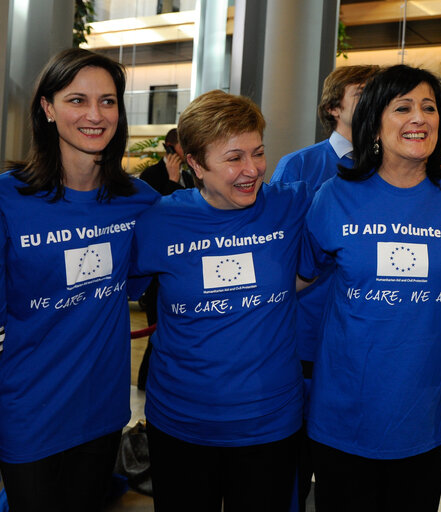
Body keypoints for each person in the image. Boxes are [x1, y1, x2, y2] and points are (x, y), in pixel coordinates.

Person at [298, 64, 441, 511]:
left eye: (429, 107)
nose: (419, 117)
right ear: (375, 124)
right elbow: (297, 279)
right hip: (345, 413)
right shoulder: (335, 195)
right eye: (402, 107)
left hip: (423, 415)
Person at [132, 90, 309, 511]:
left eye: (259, 152)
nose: (252, 170)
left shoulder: (290, 204)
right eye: (234, 158)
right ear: (195, 163)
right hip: (180, 424)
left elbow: (361, 198)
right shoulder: (160, 219)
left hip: (270, 424)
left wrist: (436, 182)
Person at [0, 48, 158, 511]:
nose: (95, 115)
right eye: (77, 100)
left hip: (102, 408)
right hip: (28, 406)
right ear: (47, 108)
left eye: (108, 101)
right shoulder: (10, 199)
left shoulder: (139, 202)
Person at [271, 63, 379, 510]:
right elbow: (277, 254)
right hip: (303, 345)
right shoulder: (298, 167)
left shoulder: (389, 171)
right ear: (334, 107)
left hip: (362, 348)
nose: (375, 103)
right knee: (291, 469)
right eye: (363, 94)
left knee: (350, 474)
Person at [137, 127, 196, 390]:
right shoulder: (152, 175)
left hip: (184, 263)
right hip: (158, 270)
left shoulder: (189, 174)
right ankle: (144, 384)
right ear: (170, 146)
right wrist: (172, 181)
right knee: (156, 333)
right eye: (183, 145)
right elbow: (157, 219)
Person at [139, 127, 195, 193]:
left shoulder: (188, 177)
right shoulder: (149, 174)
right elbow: (157, 203)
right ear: (169, 147)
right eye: (184, 147)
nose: (188, 152)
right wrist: (173, 180)